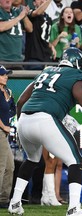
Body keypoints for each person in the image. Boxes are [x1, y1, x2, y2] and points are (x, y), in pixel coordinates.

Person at [8, 47, 82, 216]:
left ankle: (15, 203)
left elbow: (21, 101)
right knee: (76, 162)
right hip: (45, 119)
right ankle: (74, 208)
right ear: (78, 63)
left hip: (24, 119)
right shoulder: (76, 75)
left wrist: (18, 126)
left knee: (31, 160)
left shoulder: (45, 72)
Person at [24, 0, 56, 70]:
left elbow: (43, 37)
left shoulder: (49, 18)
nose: (42, 1)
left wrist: (51, 46)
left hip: (47, 58)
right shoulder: (30, 12)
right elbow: (37, 12)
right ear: (34, 3)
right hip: (34, 58)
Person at [0, 0, 32, 69]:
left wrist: (24, 15)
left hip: (17, 60)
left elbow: (30, 28)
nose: (8, 0)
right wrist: (19, 17)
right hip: (3, 59)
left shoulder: (17, 11)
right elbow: (1, 27)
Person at [0, 66, 15, 209]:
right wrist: (4, 126)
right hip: (0, 130)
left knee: (10, 166)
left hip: (5, 132)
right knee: (1, 166)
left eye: (6, 75)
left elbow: (13, 110)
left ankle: (3, 199)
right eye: (3, 75)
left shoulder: (8, 92)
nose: (6, 77)